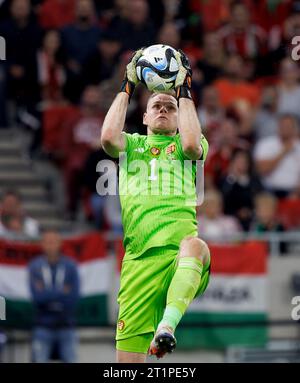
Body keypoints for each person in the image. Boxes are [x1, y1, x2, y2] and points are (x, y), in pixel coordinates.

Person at [101, 48, 211, 362]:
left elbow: (191, 144)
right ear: (145, 117)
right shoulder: (133, 145)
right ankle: (157, 334)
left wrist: (184, 88)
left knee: (197, 247)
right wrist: (127, 84)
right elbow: (108, 139)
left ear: (179, 118)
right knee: (126, 367)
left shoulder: (187, 144)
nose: (163, 109)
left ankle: (167, 326)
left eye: (170, 107)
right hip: (137, 262)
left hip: (177, 255)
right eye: (156, 106)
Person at [28, 230, 80, 363]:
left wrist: (47, 293)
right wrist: (62, 292)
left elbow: (73, 298)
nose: (51, 246)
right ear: (42, 244)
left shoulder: (70, 266)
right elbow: (37, 298)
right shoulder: (35, 267)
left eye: (54, 242)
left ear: (60, 244)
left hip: (66, 325)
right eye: (48, 242)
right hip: (42, 325)